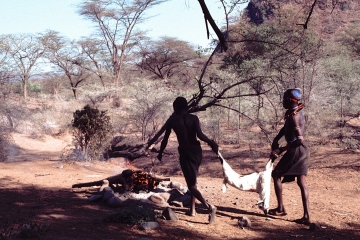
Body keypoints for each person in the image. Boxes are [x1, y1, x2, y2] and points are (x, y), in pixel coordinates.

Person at [157, 96, 219, 224]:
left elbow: (165, 139)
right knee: (193, 181)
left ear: (175, 108)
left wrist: (160, 152)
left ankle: (209, 207)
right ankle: (192, 210)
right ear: (186, 107)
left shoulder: (172, 121)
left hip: (185, 152)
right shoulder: (193, 118)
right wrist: (211, 142)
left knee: (191, 185)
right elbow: (200, 135)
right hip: (197, 151)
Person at [269, 88, 311, 225]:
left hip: (296, 150)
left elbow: (299, 140)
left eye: (284, 99)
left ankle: (280, 208)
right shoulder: (293, 112)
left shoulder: (294, 116)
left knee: (276, 174)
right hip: (303, 151)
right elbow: (285, 127)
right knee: (301, 182)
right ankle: (306, 216)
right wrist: (277, 138)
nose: (282, 101)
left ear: (289, 100)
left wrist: (281, 149)